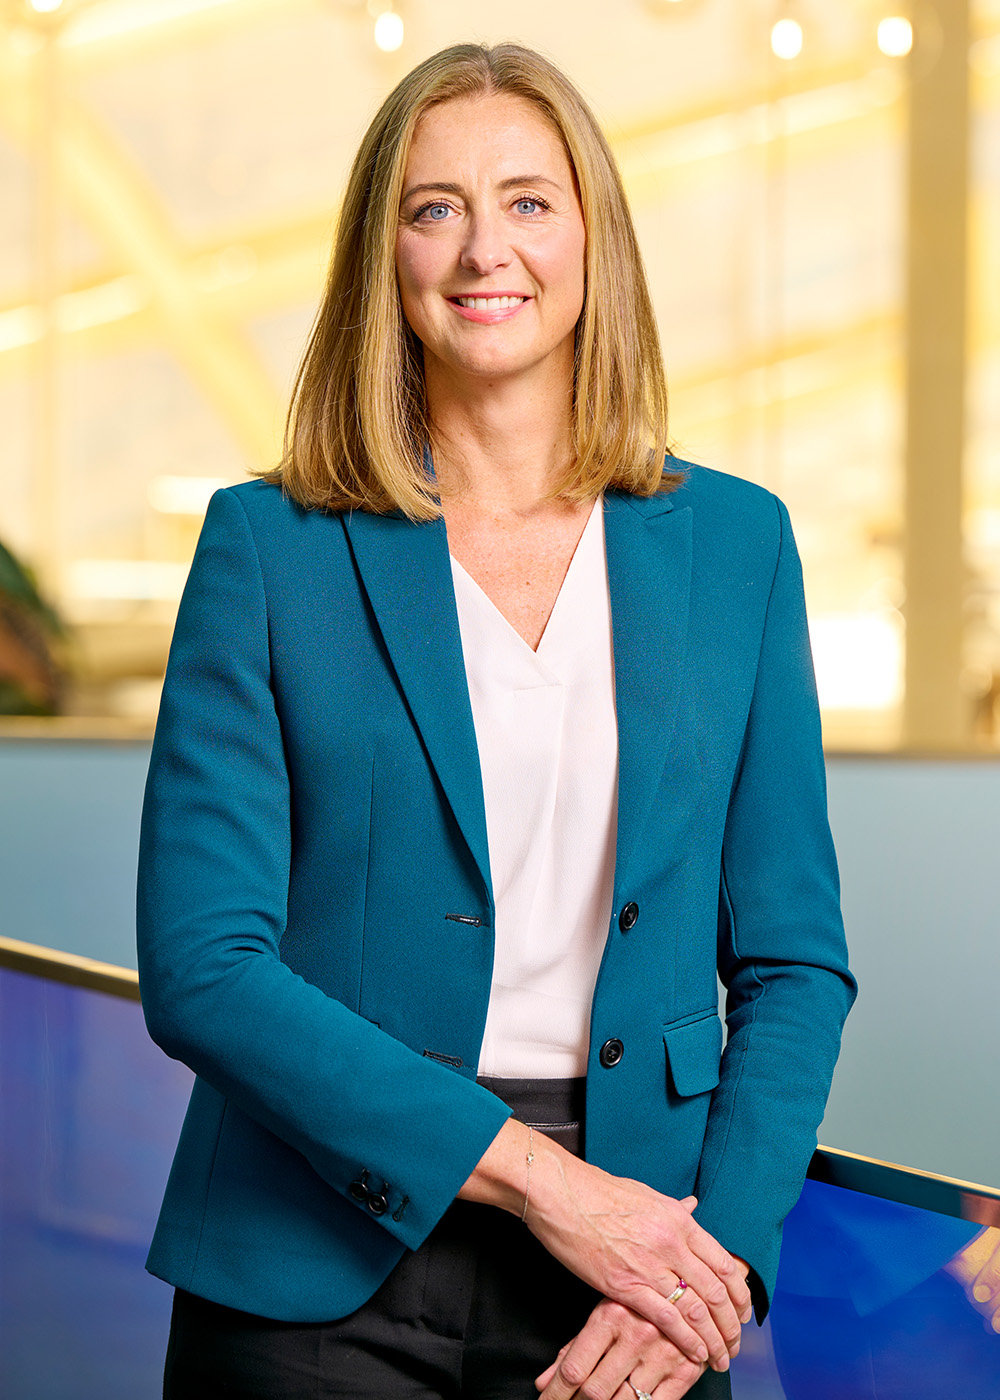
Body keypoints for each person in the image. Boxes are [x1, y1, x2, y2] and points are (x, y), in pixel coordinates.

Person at [136, 40, 857, 1400]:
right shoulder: (267, 549)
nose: (485, 250)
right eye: (434, 207)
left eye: (529, 200)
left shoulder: (739, 547)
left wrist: (718, 1261)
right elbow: (203, 967)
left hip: (637, 1266)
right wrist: (539, 1184)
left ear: (594, 238)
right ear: (384, 255)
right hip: (308, 1267)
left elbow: (793, 967)